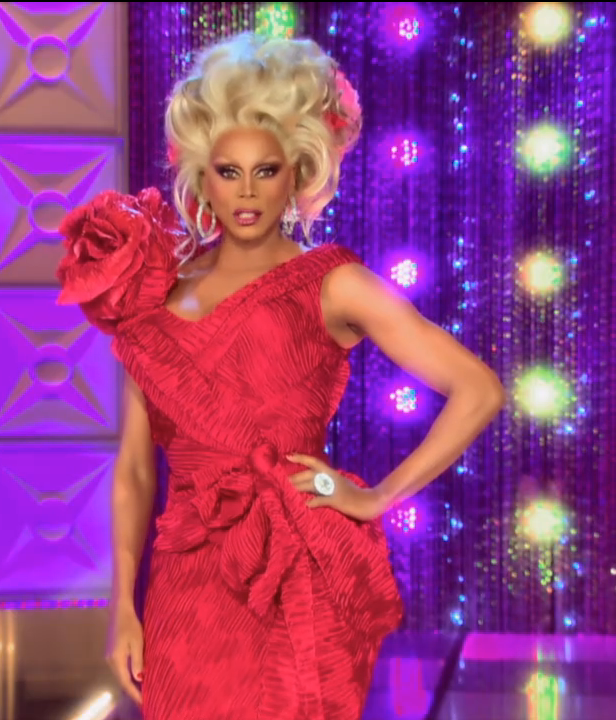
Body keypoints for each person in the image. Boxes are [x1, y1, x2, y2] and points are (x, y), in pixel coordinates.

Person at [56, 33, 504, 720]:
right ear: (202, 176)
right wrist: (121, 605)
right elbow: (136, 470)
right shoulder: (154, 293)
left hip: (294, 568)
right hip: (184, 585)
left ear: (296, 174)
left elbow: (479, 390)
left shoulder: (334, 283)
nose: (247, 191)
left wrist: (375, 497)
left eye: (265, 170)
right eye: (227, 171)